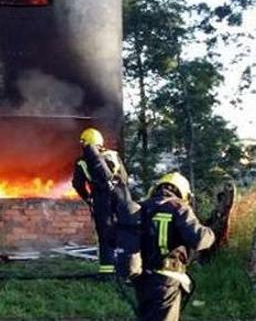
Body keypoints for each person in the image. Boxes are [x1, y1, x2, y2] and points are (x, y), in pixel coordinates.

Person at [134, 172, 214, 321]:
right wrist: (211, 232)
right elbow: (198, 239)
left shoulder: (141, 207)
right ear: (183, 193)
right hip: (167, 279)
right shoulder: (179, 207)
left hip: (142, 278)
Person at [72, 127, 129, 276]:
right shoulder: (113, 156)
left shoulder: (82, 162)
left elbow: (77, 184)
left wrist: (87, 198)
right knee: (126, 231)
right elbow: (124, 178)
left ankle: (107, 272)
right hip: (121, 197)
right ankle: (127, 269)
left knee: (105, 235)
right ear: (100, 142)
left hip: (101, 200)